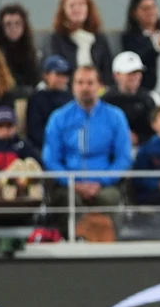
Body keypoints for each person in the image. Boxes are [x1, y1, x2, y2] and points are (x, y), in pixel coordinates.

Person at [43, 65, 133, 208]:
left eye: (90, 83)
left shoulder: (115, 116)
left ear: (100, 86)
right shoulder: (58, 118)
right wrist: (72, 183)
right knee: (70, 201)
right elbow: (51, 159)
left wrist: (102, 181)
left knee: (108, 199)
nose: (85, 88)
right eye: (80, 83)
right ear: (73, 86)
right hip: (68, 185)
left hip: (104, 184)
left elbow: (124, 157)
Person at [49, 0, 115, 85]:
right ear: (63, 10)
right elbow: (56, 71)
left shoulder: (99, 38)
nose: (77, 9)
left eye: (81, 5)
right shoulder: (57, 38)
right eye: (72, 5)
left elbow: (107, 71)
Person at [104, 51, 159, 146]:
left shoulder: (147, 99)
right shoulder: (106, 100)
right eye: (130, 73)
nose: (135, 77)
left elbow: (156, 131)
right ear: (116, 75)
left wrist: (139, 139)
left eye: (137, 72)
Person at [0, 4, 42, 93]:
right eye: (8, 24)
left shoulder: (30, 48)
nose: (13, 28)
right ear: (1, 26)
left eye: (17, 24)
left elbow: (35, 78)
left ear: (24, 26)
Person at [26, 55, 75, 148]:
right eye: (58, 74)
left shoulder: (71, 97)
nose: (62, 79)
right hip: (46, 147)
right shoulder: (36, 98)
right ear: (45, 75)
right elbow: (35, 131)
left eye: (65, 75)